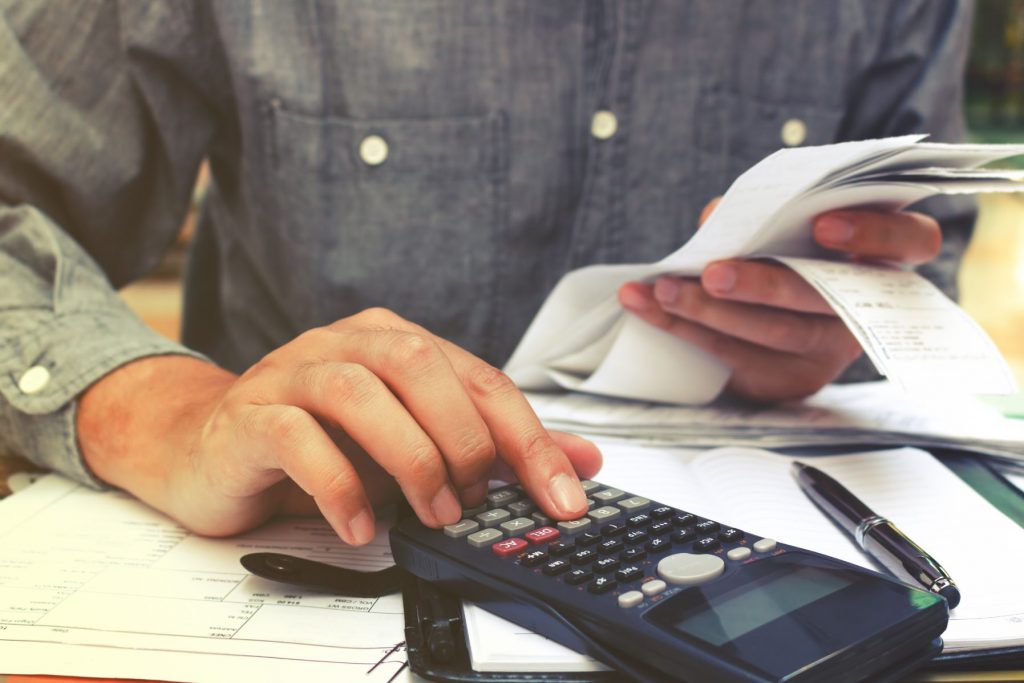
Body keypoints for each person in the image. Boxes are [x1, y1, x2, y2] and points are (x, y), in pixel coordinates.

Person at [0, 0, 974, 544]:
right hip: (308, 556)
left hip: (756, 573)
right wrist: (172, 412)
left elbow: (925, 263)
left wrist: (838, 332)